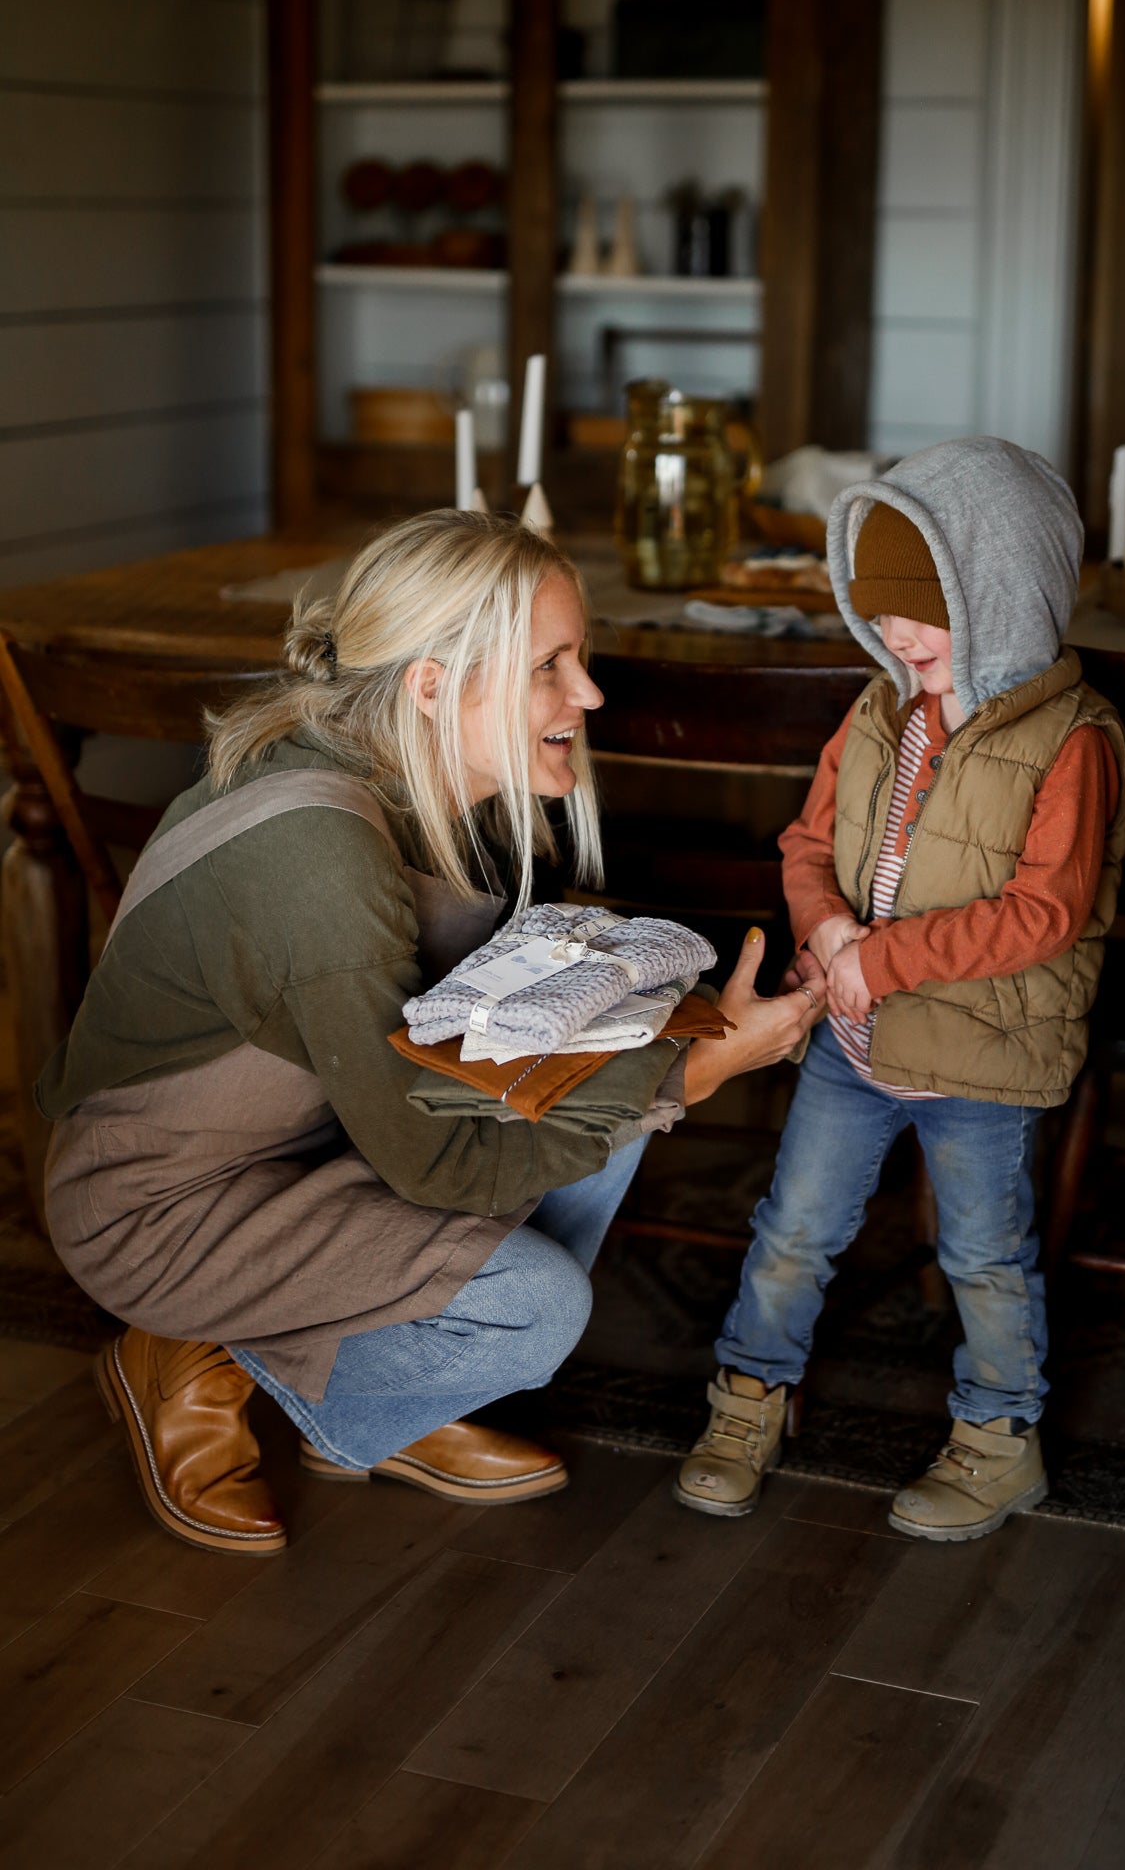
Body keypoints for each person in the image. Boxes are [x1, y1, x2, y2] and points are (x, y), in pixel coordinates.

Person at [38, 511, 816, 1556]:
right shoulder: (320, 859)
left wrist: (665, 1032)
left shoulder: (416, 773)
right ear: (434, 686)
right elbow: (439, 1157)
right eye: (550, 666)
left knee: (626, 1090)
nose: (586, 694)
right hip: (162, 1211)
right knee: (538, 1307)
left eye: (577, 658)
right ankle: (190, 1355)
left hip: (313, 1141)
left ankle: (385, 1394)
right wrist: (708, 1068)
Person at [674, 437, 1125, 1541]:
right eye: (878, 611)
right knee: (793, 1226)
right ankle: (749, 1397)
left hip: (982, 1056)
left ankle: (999, 1436)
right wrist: (828, 925)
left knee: (981, 1250)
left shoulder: (1075, 739)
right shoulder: (878, 710)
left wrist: (874, 959)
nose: (895, 635)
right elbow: (807, 842)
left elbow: (1044, 912)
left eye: (925, 611)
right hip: (854, 1040)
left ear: (1005, 595)